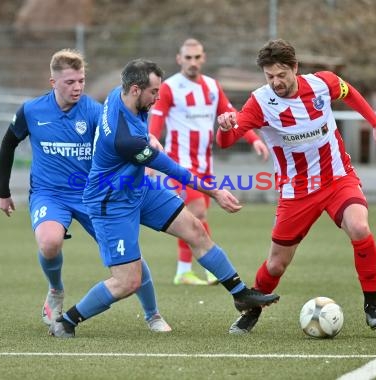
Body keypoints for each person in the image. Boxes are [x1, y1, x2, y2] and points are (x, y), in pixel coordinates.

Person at [48, 58, 280, 338]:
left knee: (195, 229)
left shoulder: (118, 94)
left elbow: (138, 134)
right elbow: (171, 169)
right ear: (135, 89)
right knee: (127, 281)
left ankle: (240, 294)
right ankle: (67, 321)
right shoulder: (125, 139)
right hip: (110, 203)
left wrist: (148, 138)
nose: (158, 98)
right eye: (154, 92)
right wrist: (215, 191)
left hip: (137, 186)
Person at [216, 39, 376, 334]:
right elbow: (227, 141)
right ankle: (252, 310)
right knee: (275, 265)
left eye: (281, 75)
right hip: (295, 191)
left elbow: (351, 94)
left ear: (295, 68)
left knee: (360, 228)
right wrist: (223, 127)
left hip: (337, 178)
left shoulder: (323, 83)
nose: (276, 82)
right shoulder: (260, 102)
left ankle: (372, 305)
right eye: (269, 76)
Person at [0, 48, 172, 333]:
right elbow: (8, 144)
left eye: (81, 80)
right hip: (49, 193)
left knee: (131, 256)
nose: (77, 87)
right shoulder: (31, 111)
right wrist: (3, 191)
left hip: (93, 194)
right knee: (49, 242)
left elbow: (123, 132)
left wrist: (149, 138)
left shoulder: (93, 111)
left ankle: (152, 314)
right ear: (53, 82)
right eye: (70, 82)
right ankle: (55, 291)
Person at [149, 38, 269, 286]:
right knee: (197, 212)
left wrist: (253, 138)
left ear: (203, 58)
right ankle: (203, 269)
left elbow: (232, 116)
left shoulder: (213, 86)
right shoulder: (170, 88)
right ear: (179, 59)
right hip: (179, 164)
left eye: (197, 57)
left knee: (196, 216)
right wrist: (150, 156)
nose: (193, 62)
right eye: (188, 57)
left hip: (205, 165)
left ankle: (189, 270)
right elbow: (155, 124)